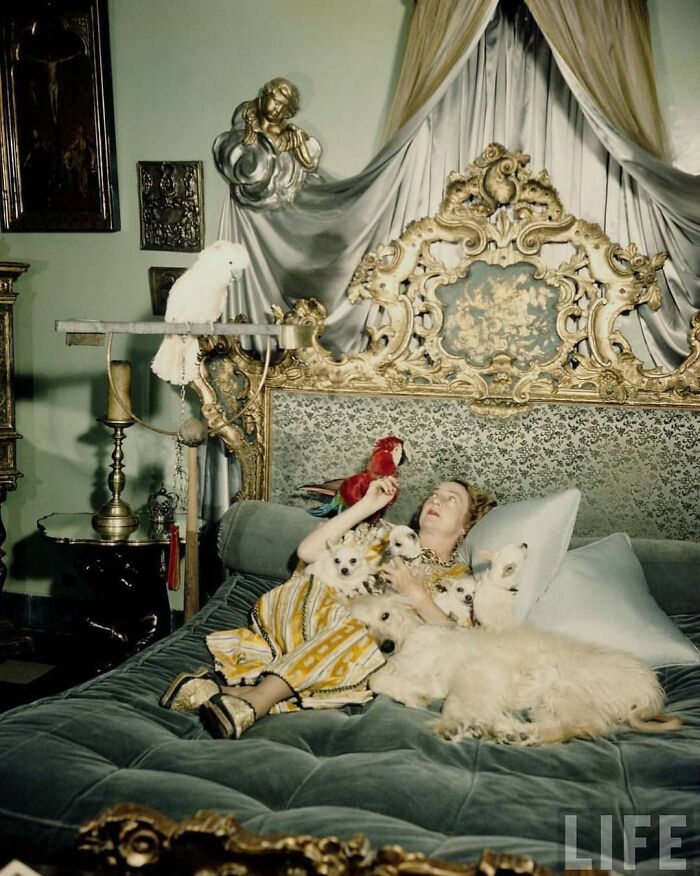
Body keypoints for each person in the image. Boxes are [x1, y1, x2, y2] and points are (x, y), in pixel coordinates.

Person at [160, 477, 496, 739]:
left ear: (467, 524)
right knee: (358, 624)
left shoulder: (459, 580)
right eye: (434, 494)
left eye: (451, 499)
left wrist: (417, 594)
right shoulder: (380, 536)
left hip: (348, 649)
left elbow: (462, 643)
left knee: (369, 635)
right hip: (301, 613)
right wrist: (366, 506)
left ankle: (227, 693)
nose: (436, 499)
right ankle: (256, 701)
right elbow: (307, 553)